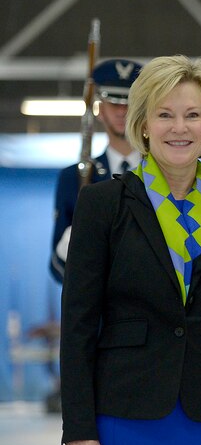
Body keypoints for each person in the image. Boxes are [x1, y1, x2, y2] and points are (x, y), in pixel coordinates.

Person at [60, 55, 201, 445]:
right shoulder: (103, 204)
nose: (180, 128)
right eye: (165, 114)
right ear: (144, 125)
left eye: (193, 115)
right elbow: (77, 324)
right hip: (120, 415)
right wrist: (78, 427)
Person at [50, 58, 144, 283]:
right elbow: (55, 266)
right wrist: (70, 245)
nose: (122, 111)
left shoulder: (161, 174)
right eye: (114, 102)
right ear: (100, 109)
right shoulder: (74, 178)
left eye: (129, 102)